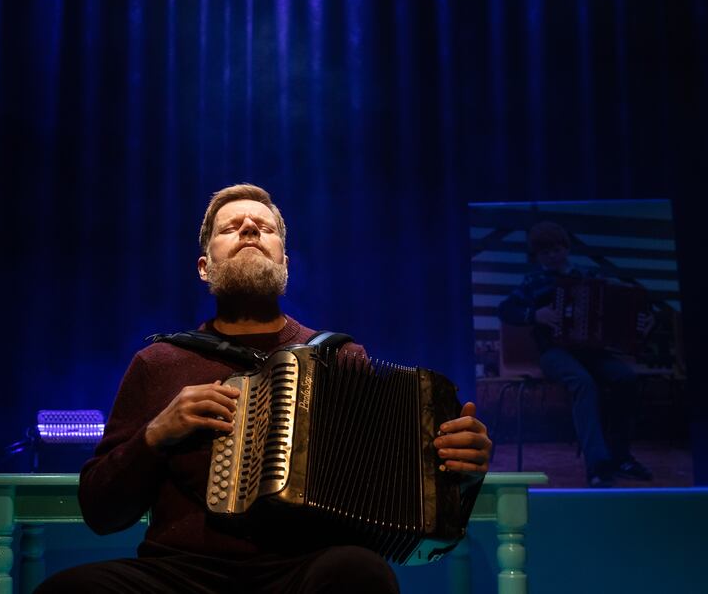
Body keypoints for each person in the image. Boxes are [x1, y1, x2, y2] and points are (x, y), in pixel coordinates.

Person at [37, 184, 492, 593]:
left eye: (265, 227)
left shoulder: (341, 358)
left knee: (361, 572)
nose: (250, 229)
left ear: (284, 263)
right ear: (204, 266)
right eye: (231, 227)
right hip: (181, 573)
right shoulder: (159, 363)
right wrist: (155, 434)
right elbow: (100, 510)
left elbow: (397, 483)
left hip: (304, 570)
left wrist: (457, 467)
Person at [497, 220, 654, 488]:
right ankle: (598, 465)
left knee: (626, 379)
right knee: (583, 383)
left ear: (566, 248)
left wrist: (643, 320)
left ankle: (621, 457)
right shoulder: (532, 282)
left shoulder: (588, 276)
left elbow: (626, 306)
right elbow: (505, 309)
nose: (551, 255)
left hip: (591, 352)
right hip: (553, 353)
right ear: (537, 256)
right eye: (544, 252)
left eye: (556, 249)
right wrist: (536, 314)